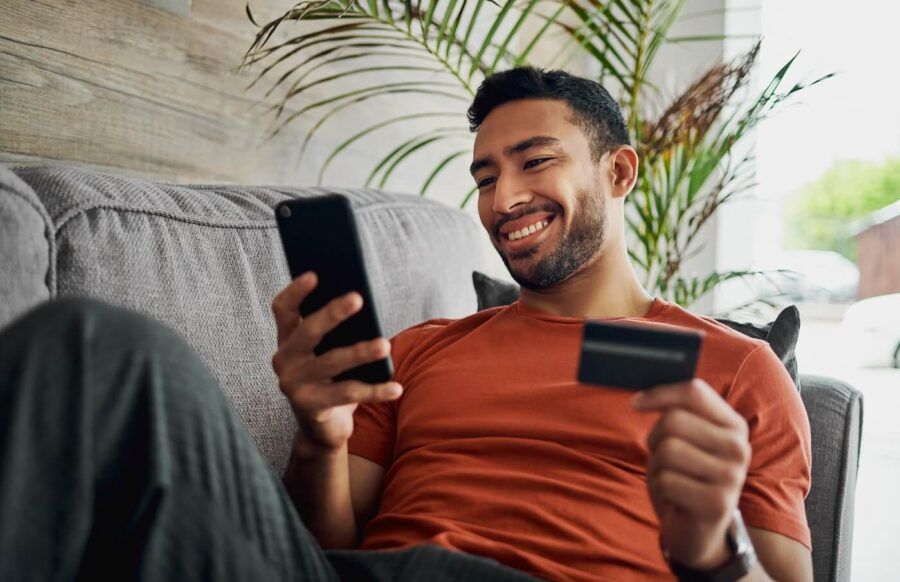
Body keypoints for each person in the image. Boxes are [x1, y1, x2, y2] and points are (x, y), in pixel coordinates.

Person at [0, 67, 811, 582]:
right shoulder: (423, 349)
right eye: (486, 176)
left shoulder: (735, 370)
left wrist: (713, 554)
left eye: (535, 161)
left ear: (619, 171)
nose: (501, 199)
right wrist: (320, 431)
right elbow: (329, 540)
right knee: (88, 344)